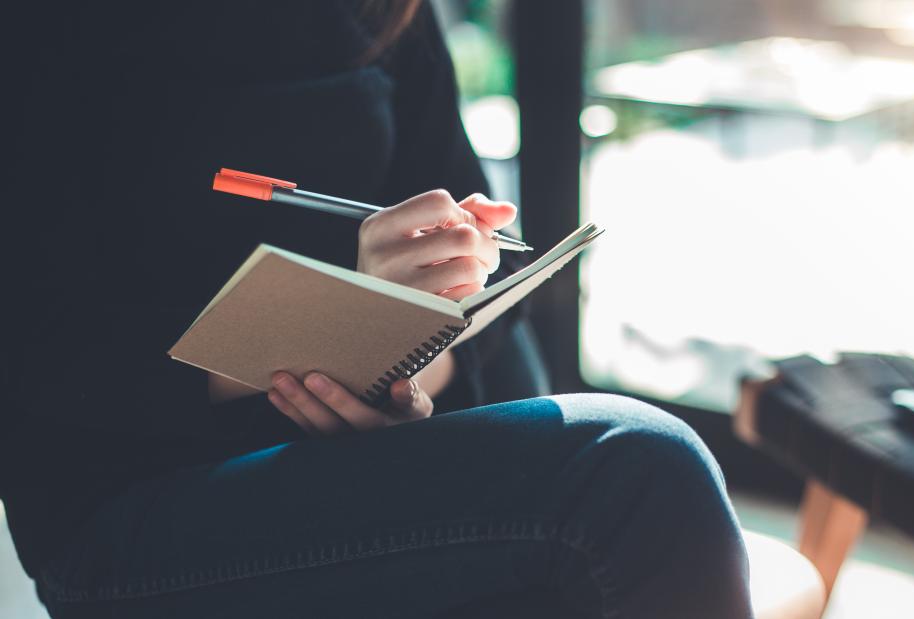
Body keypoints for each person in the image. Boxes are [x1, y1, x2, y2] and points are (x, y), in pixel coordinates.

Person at [2, 2, 753, 617]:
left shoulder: (383, 12)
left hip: (365, 447)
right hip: (134, 506)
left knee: (601, 491)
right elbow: (38, 343)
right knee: (636, 468)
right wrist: (318, 340)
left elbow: (477, 272)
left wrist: (406, 364)